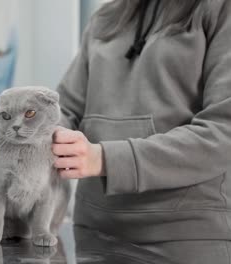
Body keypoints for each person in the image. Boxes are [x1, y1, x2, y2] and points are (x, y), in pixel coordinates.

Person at [52, 0, 231, 262]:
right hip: (95, 235)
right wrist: (38, 135)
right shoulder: (107, 16)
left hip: (185, 240)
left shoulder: (221, 9)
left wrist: (105, 159)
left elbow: (223, 133)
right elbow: (66, 109)